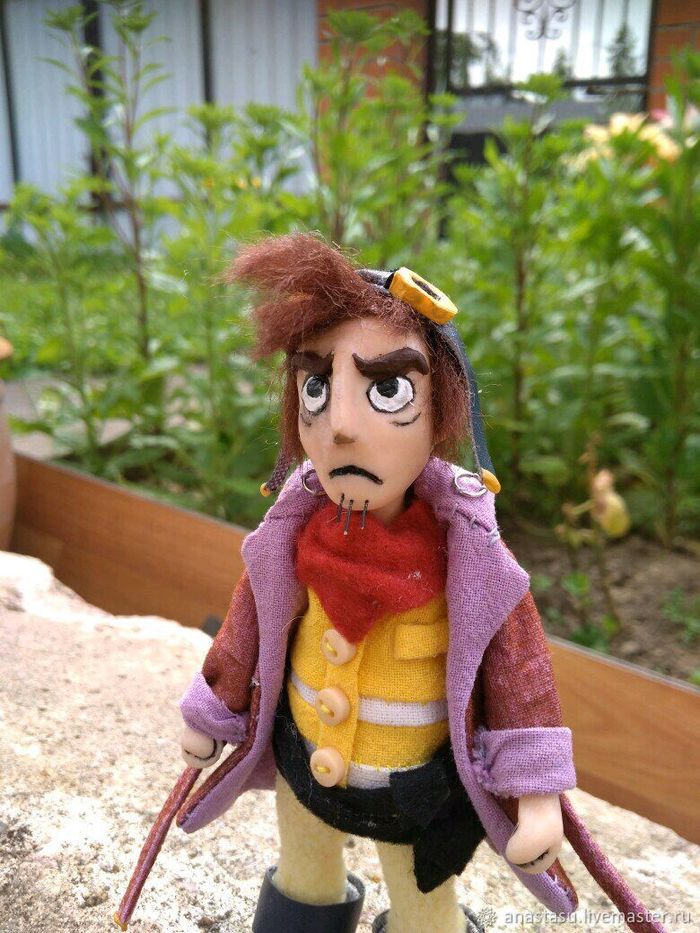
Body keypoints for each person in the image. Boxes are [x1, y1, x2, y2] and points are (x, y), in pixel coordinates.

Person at [175, 234, 665, 933]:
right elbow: (249, 622)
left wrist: (536, 794)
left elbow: (520, 674)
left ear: (443, 411)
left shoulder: (472, 559)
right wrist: (214, 708)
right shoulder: (291, 530)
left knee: (423, 911)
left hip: (416, 797)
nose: (341, 426)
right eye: (316, 388)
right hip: (301, 764)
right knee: (303, 875)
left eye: (387, 389)